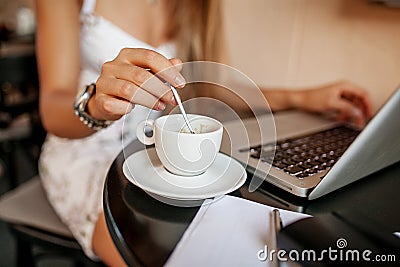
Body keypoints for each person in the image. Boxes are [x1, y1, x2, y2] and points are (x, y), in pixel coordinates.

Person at [35, 0, 373, 266]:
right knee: (154, 253)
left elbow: (214, 88)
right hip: (85, 148)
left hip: (159, 148)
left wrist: (302, 97)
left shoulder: (200, 3)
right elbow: (52, 108)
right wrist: (97, 104)